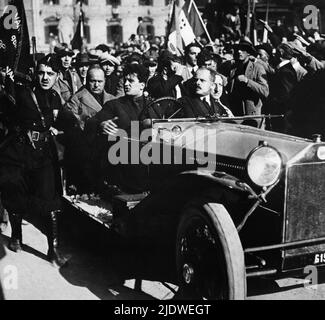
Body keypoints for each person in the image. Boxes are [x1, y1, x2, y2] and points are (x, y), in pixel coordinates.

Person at [0, 54, 69, 267]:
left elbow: (61, 121)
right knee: (15, 194)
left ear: (57, 76)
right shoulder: (21, 93)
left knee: (49, 199)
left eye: (50, 73)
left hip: (44, 154)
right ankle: (16, 237)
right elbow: (7, 113)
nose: (45, 77)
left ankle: (53, 250)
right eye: (41, 72)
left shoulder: (56, 97)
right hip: (19, 152)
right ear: (34, 73)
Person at [86, 64, 150, 194]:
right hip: (123, 163)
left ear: (142, 85)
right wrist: (101, 124)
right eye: (125, 80)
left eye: (131, 81)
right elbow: (92, 121)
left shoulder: (153, 105)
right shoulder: (114, 105)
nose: (126, 84)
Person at [63, 66, 115, 194]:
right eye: (93, 81)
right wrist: (94, 124)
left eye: (100, 81)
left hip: (110, 149)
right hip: (87, 150)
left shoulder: (112, 99)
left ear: (105, 81)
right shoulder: (77, 99)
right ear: (87, 80)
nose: (96, 85)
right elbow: (71, 121)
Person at [228, 38, 269, 116]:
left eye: (243, 50)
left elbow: (265, 91)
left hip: (252, 111)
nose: (239, 51)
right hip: (235, 111)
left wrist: (247, 81)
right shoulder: (233, 68)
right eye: (238, 49)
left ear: (249, 53)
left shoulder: (257, 68)